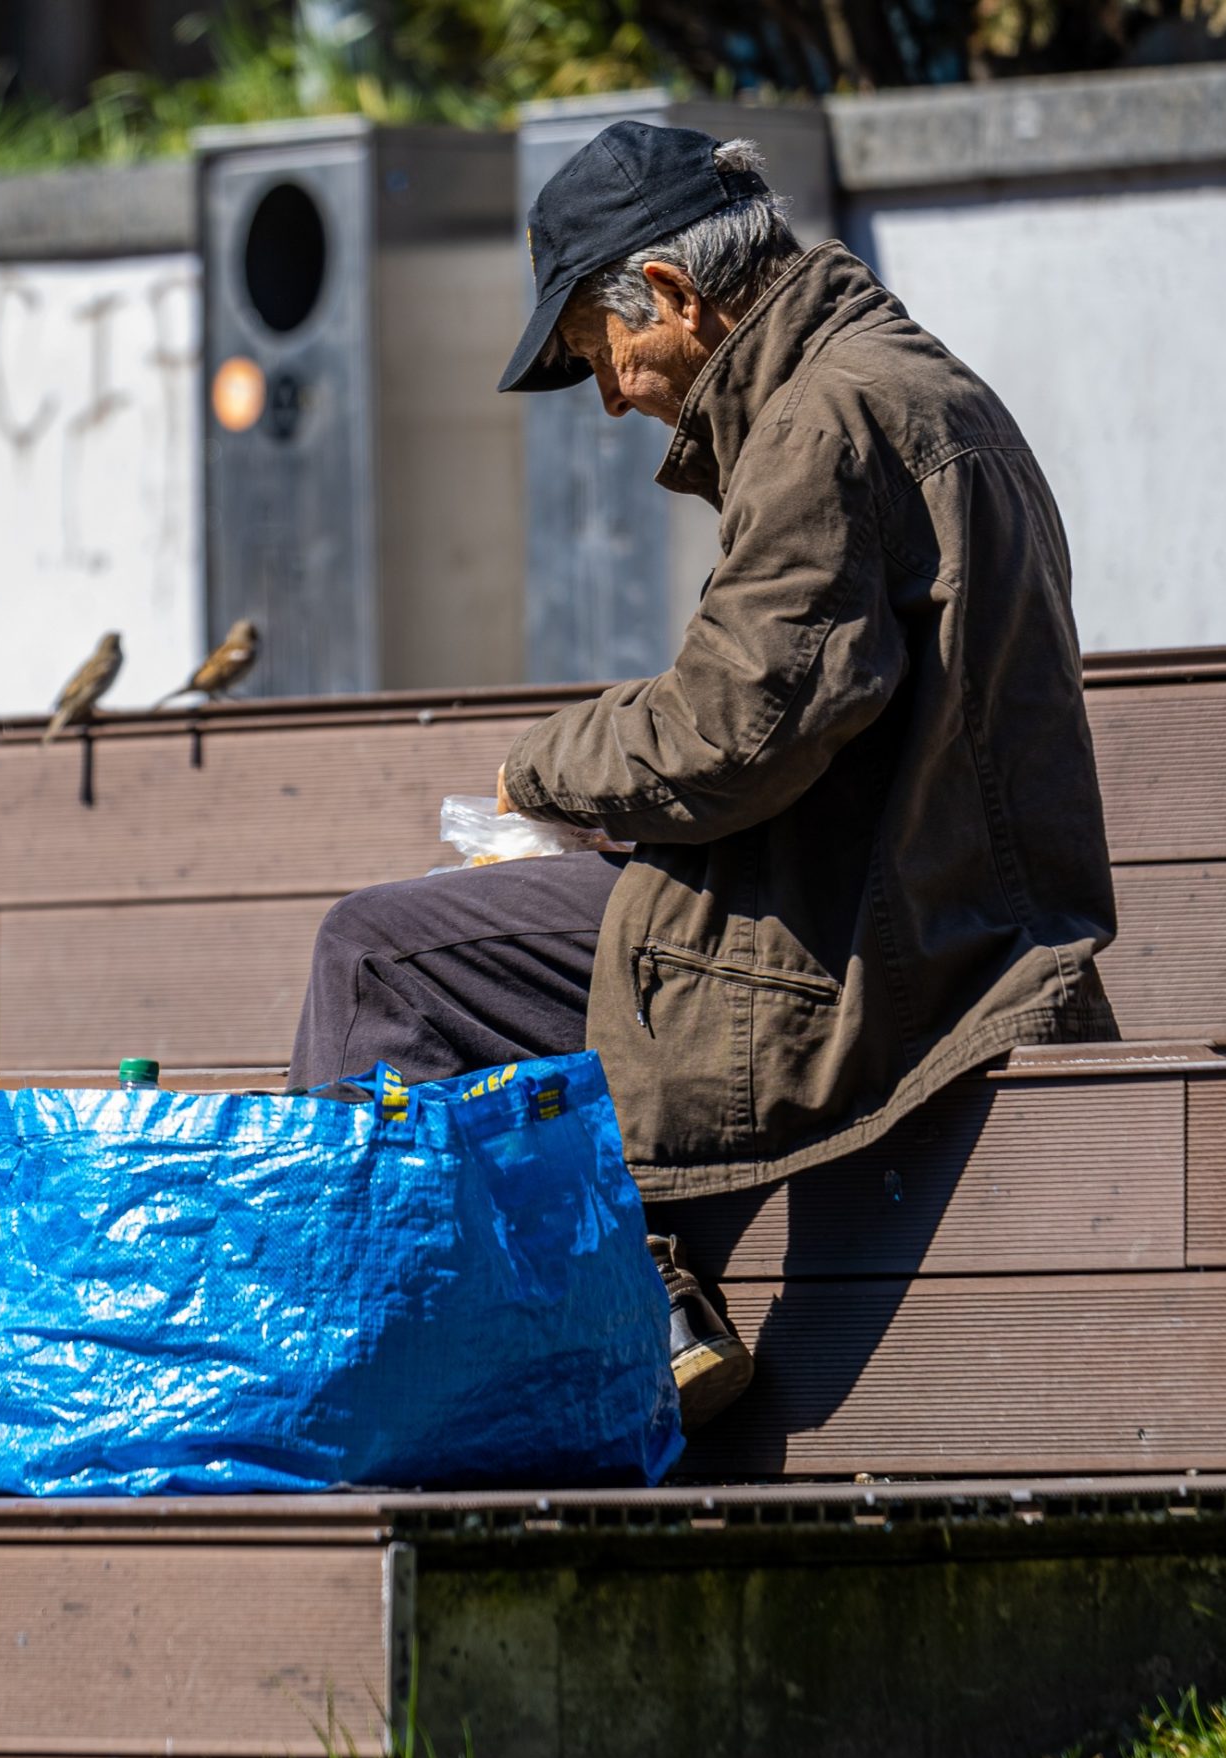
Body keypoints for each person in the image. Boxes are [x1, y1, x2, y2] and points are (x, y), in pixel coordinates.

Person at [287, 123, 1120, 1429]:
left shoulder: (817, 421)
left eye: (597, 354)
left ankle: (350, 1361)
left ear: (671, 295)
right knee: (511, 941)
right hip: (928, 911)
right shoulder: (918, 385)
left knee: (382, 956)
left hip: (854, 948)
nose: (612, 399)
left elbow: (739, 722)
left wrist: (537, 770)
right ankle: (638, 1288)